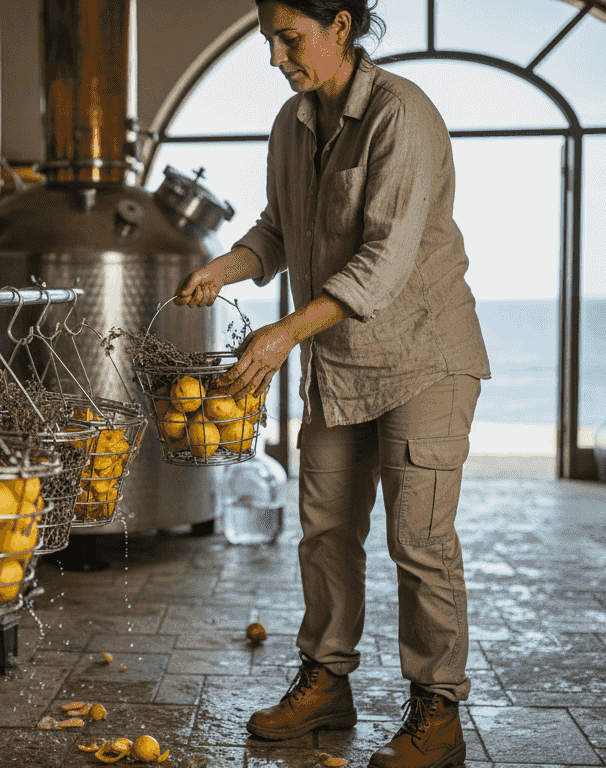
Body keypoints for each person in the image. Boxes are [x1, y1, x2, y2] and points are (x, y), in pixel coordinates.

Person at [174, 2, 490, 766]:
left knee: (418, 541)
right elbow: (279, 230)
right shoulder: (292, 124)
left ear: (340, 25)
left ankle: (439, 711)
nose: (276, 57)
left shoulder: (400, 115)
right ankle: (325, 681)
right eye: (269, 41)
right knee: (324, 532)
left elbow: (382, 260)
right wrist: (224, 268)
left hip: (424, 357)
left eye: (290, 39)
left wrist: (285, 332)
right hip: (340, 362)